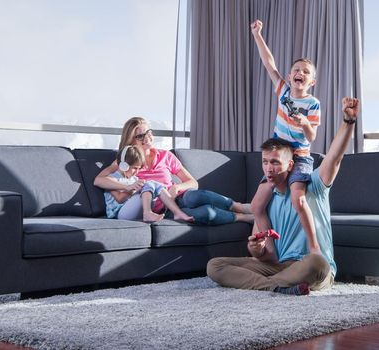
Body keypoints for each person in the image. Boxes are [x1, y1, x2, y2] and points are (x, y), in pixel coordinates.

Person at [207, 97, 360, 295]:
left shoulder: (312, 185)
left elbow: (335, 157)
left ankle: (264, 285)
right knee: (215, 265)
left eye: (275, 163)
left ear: (290, 165)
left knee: (317, 262)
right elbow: (263, 256)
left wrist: (348, 122)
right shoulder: (264, 201)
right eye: (265, 162)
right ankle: (277, 287)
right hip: (278, 266)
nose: (269, 169)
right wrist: (256, 248)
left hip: (309, 266)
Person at [95, 117, 253, 225]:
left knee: (197, 196)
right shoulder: (127, 161)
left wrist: (177, 187)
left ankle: (237, 206)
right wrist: (127, 187)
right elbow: (100, 180)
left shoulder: (165, 156)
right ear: (130, 140)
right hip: (162, 209)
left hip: (177, 197)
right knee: (205, 213)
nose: (147, 139)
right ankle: (241, 218)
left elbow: (193, 182)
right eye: (140, 136)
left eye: (148, 133)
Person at [250, 19, 321, 255]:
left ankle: (313, 247)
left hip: (299, 156)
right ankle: (270, 253)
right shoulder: (284, 91)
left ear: (312, 81)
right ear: (290, 76)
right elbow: (269, 64)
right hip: (278, 154)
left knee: (298, 200)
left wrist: (304, 124)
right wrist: (258, 35)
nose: (300, 73)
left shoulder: (312, 103)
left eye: (306, 72)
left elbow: (311, 137)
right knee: (257, 205)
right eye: (296, 70)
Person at [103, 145, 195, 223]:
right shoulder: (112, 178)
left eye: (139, 169)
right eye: (135, 168)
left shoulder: (133, 178)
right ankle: (147, 214)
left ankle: (177, 212)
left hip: (133, 210)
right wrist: (132, 189)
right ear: (124, 165)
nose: (137, 172)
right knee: (149, 183)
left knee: (154, 184)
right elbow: (119, 199)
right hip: (120, 213)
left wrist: (138, 188)